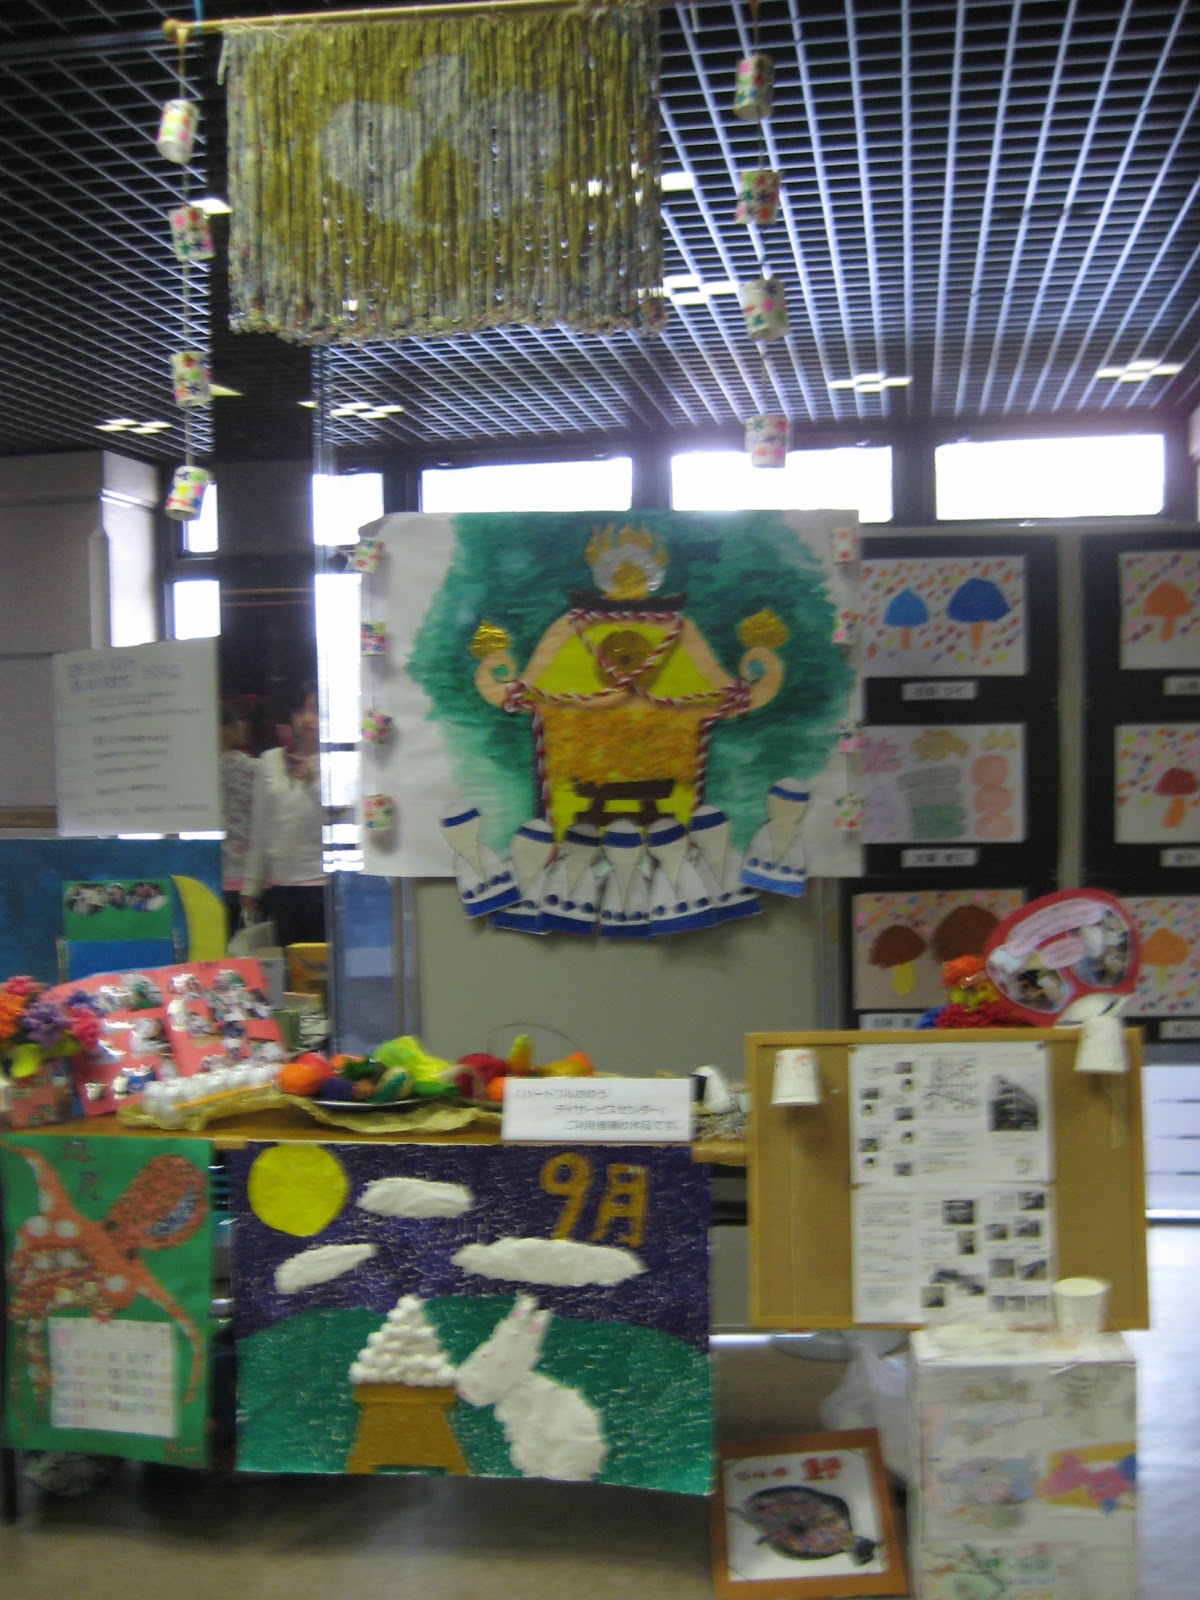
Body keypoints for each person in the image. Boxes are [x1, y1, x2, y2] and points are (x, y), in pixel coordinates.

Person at [240, 682, 326, 948]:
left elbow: (345, 819)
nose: (308, 719)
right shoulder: (270, 761)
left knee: (323, 964)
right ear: (290, 716)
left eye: (316, 710)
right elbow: (260, 826)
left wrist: (313, 782)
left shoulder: (337, 761)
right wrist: (251, 887)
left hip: (325, 883)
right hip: (282, 885)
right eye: (300, 710)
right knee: (288, 964)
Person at [219, 699, 259, 938]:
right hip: (251, 877)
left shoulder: (194, 771)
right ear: (234, 729)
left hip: (213, 875)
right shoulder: (256, 769)